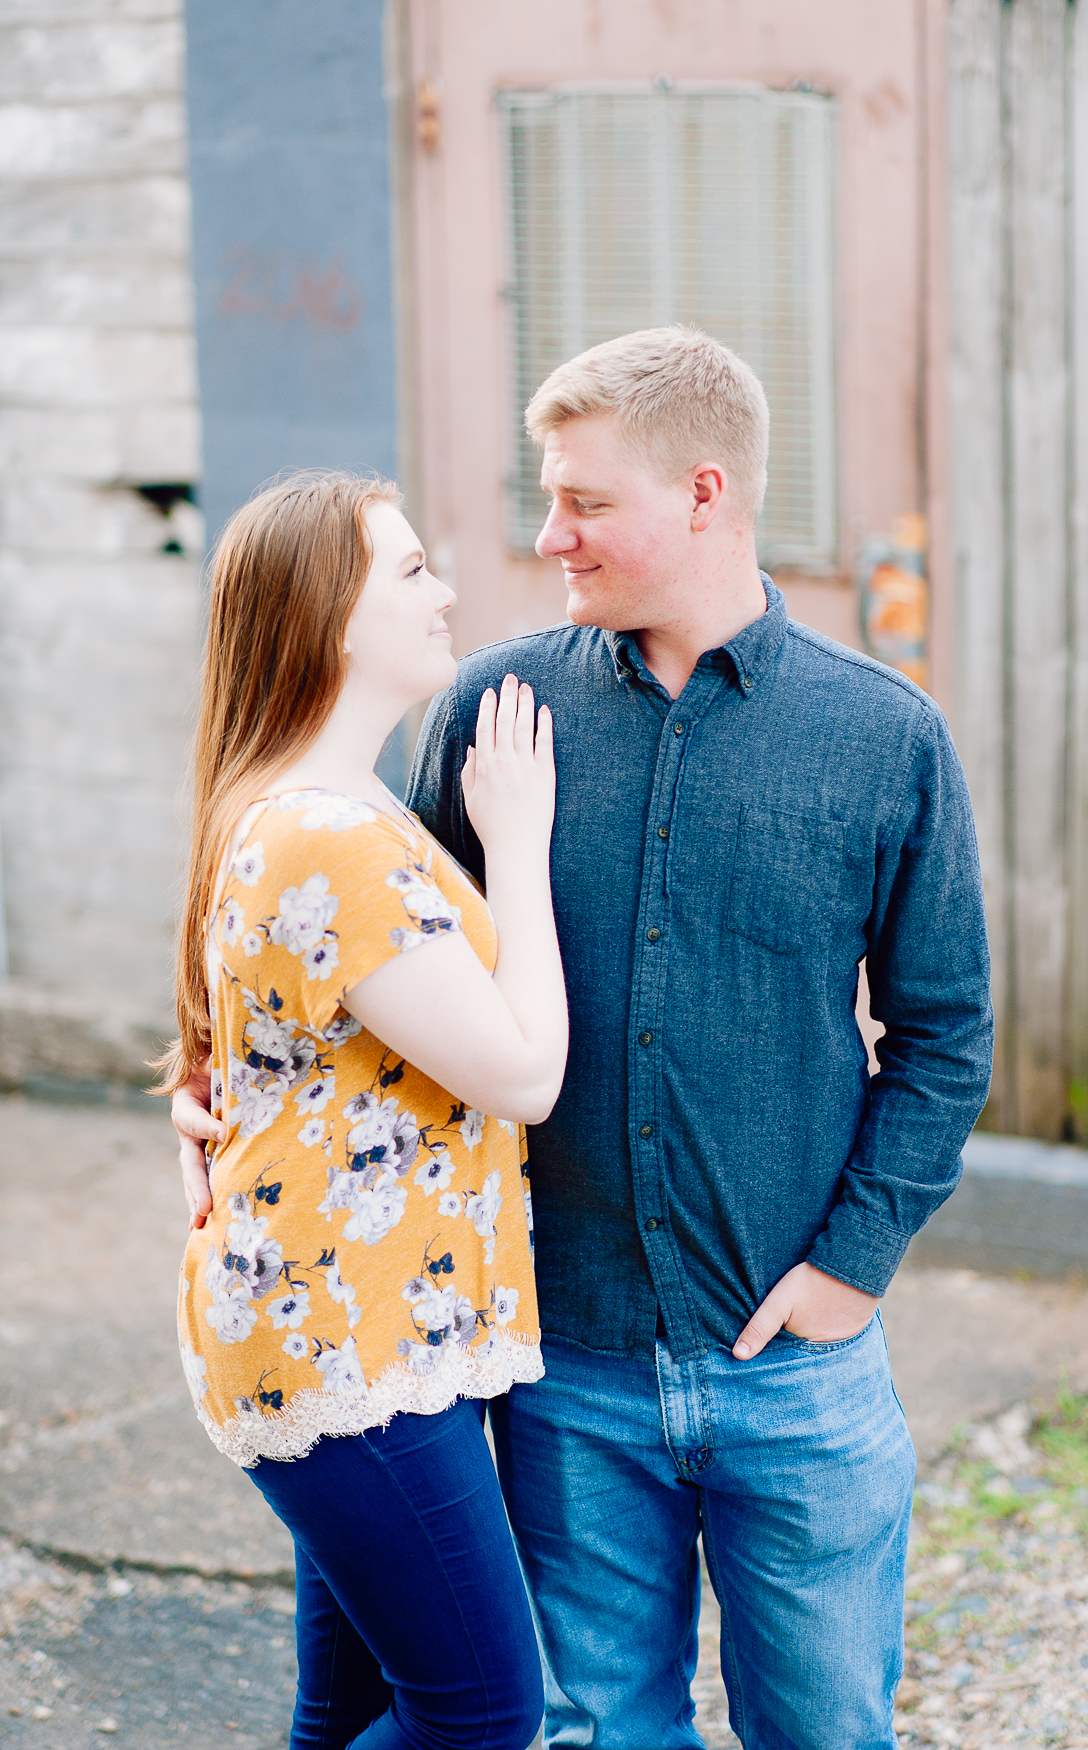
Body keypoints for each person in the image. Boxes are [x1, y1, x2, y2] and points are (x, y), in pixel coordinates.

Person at [175, 329, 993, 1750]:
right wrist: (212, 1097)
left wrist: (849, 1271)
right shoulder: (492, 712)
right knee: (586, 1730)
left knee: (828, 1729)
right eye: (543, 495)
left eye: (583, 502)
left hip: (794, 1369)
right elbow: (337, 950)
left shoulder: (882, 738)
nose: (546, 534)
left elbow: (943, 1034)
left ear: (703, 491)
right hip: (562, 1371)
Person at [162, 471, 564, 1750]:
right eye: (408, 572)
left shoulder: (318, 804)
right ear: (329, 616)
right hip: (348, 1338)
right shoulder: (327, 834)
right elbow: (523, 1075)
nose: (443, 592)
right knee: (482, 1716)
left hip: (360, 1322)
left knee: (349, 1714)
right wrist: (521, 844)